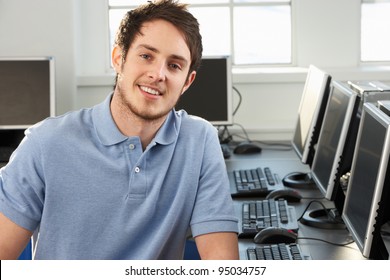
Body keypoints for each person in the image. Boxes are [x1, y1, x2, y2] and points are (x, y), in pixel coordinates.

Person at [0, 0, 239, 259]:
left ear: (187, 81)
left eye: (174, 65)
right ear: (118, 58)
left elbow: (222, 264)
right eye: (146, 56)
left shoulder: (200, 141)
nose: (158, 74)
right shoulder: (45, 143)